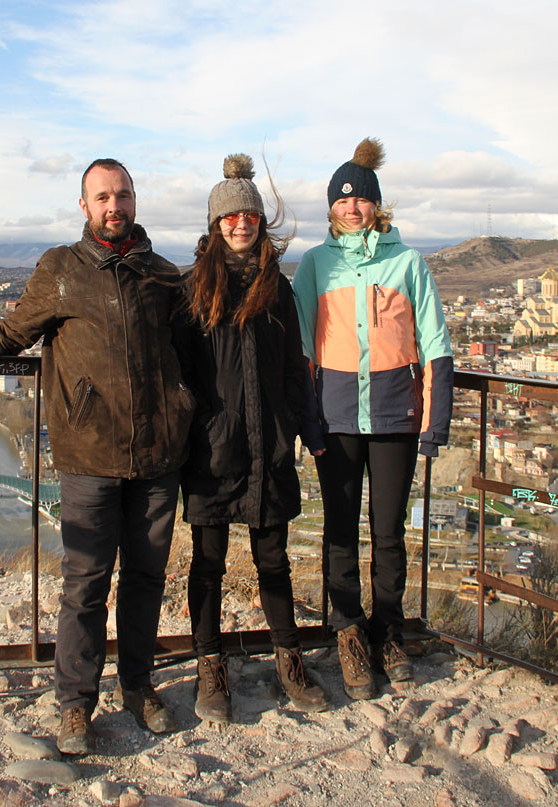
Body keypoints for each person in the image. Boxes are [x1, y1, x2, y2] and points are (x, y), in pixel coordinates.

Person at [0, 159, 194, 755]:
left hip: (157, 453)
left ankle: (138, 685)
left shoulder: (162, 275)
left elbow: (190, 353)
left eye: (122, 195)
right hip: (87, 450)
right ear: (84, 206)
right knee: (86, 583)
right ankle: (75, 704)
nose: (114, 206)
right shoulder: (61, 269)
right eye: (102, 197)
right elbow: (9, 333)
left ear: (135, 200)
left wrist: (186, 407)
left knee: (147, 578)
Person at [292, 138, 454, 700]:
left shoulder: (408, 263)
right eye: (341, 201)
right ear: (330, 210)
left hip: (393, 417)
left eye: (359, 199)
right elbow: (301, 349)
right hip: (336, 418)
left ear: (377, 205)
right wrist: (307, 420)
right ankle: (347, 632)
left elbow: (434, 343)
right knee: (339, 531)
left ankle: (388, 631)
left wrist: (434, 423)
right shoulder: (315, 264)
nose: (350, 208)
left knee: (389, 534)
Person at [178, 155, 329, 723]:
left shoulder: (279, 290)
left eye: (250, 214)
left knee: (274, 559)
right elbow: (184, 371)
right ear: (215, 224)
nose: (241, 223)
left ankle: (288, 658)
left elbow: (294, 368)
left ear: (261, 222)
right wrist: (202, 427)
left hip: (268, 446)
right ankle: (209, 666)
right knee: (208, 562)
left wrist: (290, 423)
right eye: (230, 215)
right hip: (213, 450)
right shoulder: (193, 288)